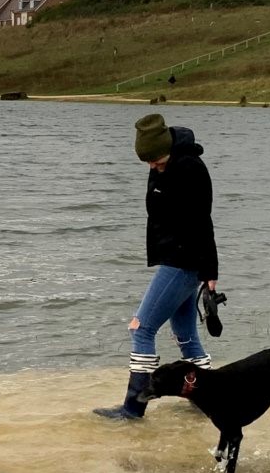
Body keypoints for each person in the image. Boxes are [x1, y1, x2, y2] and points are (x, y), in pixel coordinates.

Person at [93, 112, 217, 421]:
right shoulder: (163, 164)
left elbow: (203, 222)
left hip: (182, 263)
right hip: (179, 260)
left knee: (142, 328)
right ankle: (209, 399)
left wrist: (211, 273)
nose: (152, 167)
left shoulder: (189, 168)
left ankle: (133, 409)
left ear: (168, 149)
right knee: (186, 334)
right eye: (147, 162)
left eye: (155, 161)